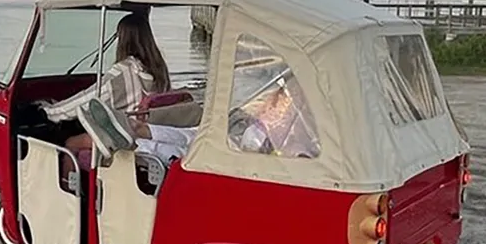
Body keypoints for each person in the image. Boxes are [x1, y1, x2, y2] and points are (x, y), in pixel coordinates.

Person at [75, 82, 319, 164]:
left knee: (183, 150)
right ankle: (128, 130)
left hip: (231, 152)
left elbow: (293, 153)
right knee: (188, 137)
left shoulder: (300, 139)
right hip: (232, 133)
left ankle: (128, 142)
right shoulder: (303, 119)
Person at [38, 12, 171, 127]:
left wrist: (50, 111)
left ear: (123, 39)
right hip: (152, 131)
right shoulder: (159, 69)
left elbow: (88, 100)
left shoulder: (123, 71)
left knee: (69, 143)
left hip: (129, 134)